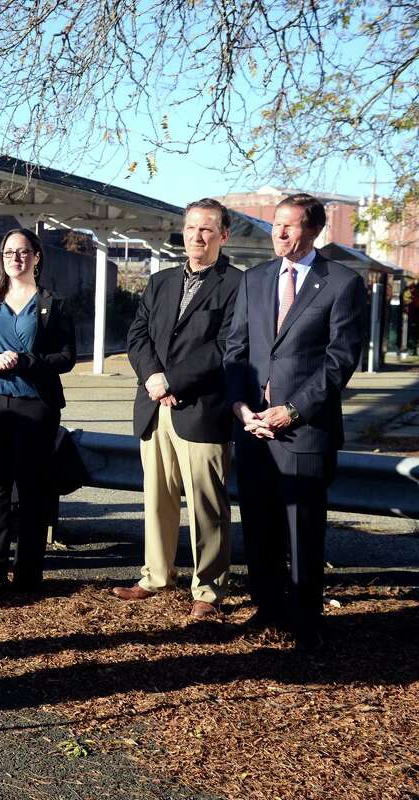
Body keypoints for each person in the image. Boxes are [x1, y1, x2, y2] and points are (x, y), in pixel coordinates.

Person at [224, 192, 365, 650]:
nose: (278, 233)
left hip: (304, 429)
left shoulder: (342, 283)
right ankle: (267, 608)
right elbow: (236, 352)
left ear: (314, 230)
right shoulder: (254, 280)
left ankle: (307, 621)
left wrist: (292, 410)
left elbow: (338, 361)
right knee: (260, 525)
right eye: (274, 224)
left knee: (302, 529)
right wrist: (241, 408)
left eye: (290, 225)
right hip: (253, 429)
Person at [112, 199, 241, 620]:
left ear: (223, 236)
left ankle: (207, 589)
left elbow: (226, 347)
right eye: (190, 228)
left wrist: (174, 380)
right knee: (157, 498)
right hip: (154, 406)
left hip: (201, 409)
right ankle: (155, 575)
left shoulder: (238, 285)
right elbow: (137, 334)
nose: (196, 236)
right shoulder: (161, 281)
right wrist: (153, 376)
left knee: (207, 505)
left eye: (206, 229)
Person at [0, 229, 75, 593]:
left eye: (24, 252)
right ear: (2, 257)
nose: (16, 258)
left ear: (37, 257)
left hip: (35, 405)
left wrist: (27, 360)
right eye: (9, 252)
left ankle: (28, 573)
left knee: (32, 488)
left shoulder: (53, 303)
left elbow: (66, 358)